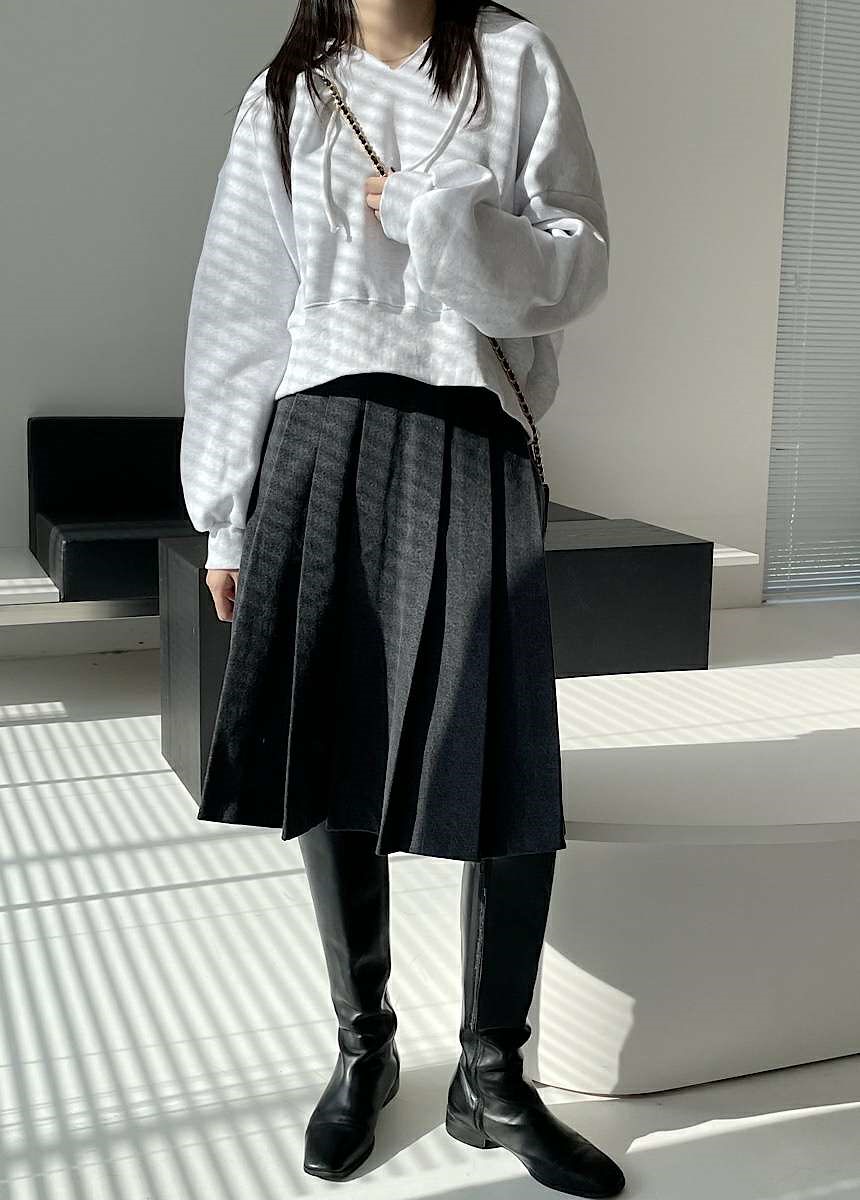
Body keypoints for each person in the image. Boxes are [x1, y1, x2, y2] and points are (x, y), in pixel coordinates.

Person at [180, 0, 622, 1194]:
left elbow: (575, 264)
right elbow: (237, 305)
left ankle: (491, 1073)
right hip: (319, 430)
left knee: (508, 762)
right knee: (331, 750)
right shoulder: (285, 92)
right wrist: (224, 509)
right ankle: (362, 1045)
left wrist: (442, 221)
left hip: (471, 424)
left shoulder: (514, 60)